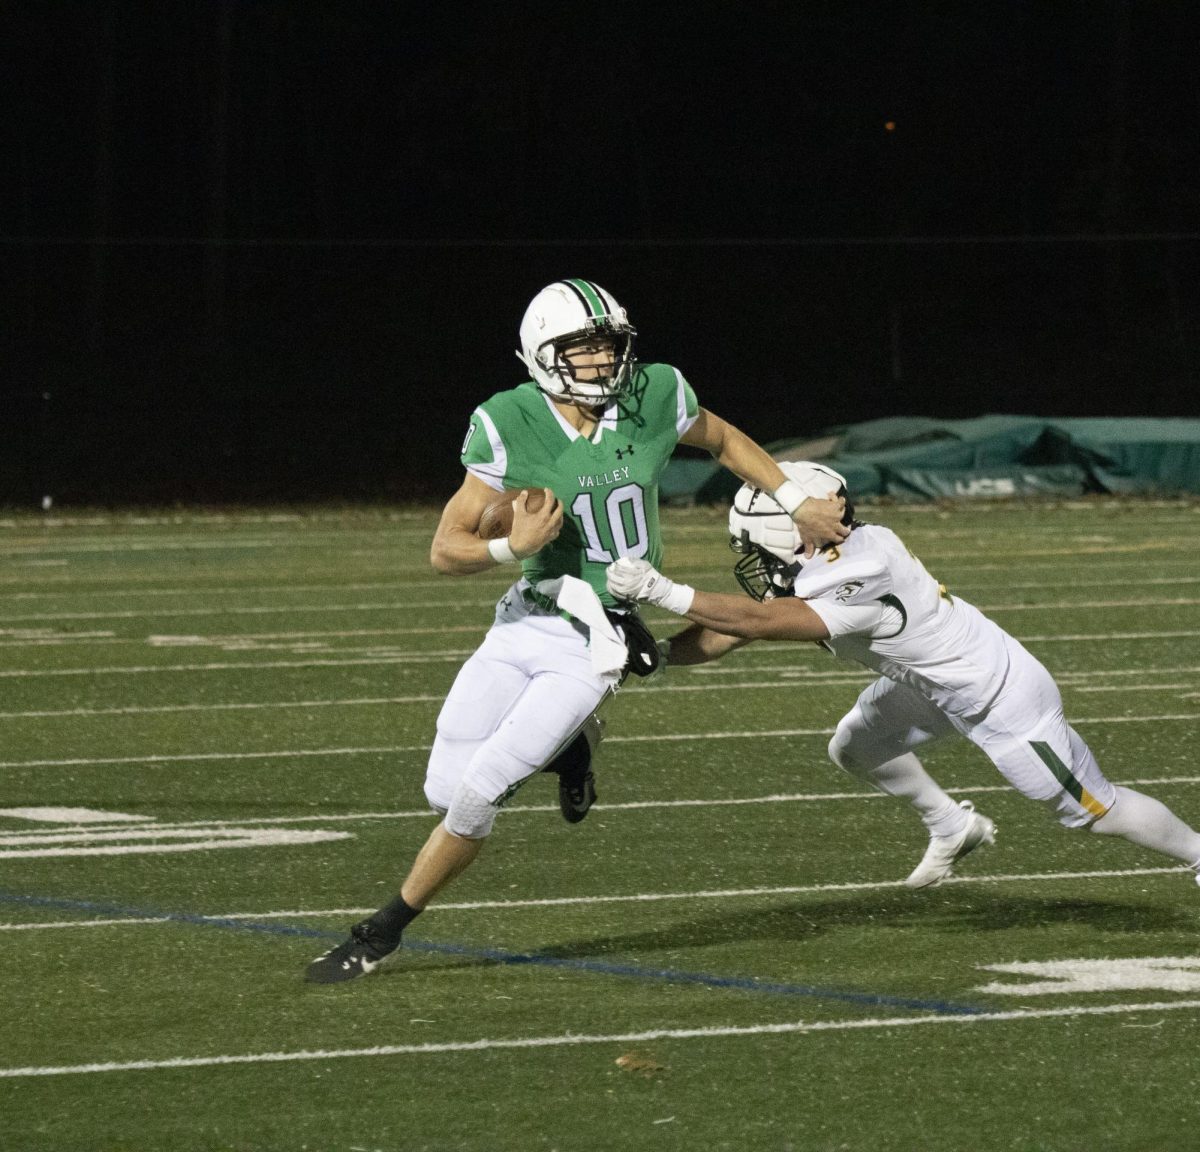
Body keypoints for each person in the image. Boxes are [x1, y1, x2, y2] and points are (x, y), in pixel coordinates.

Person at [305, 281, 850, 983]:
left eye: (607, 345)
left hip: (596, 636)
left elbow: (720, 437)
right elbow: (446, 548)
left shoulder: (655, 393)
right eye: (582, 348)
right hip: (527, 613)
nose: (601, 362)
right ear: (541, 356)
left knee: (479, 797)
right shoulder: (508, 420)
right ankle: (573, 752)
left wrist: (795, 500)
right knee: (444, 791)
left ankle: (379, 933)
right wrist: (509, 543)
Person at [605, 460, 1200, 890]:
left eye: (754, 545)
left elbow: (759, 621)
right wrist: (657, 653)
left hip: (1001, 702)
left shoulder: (856, 573)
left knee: (1094, 811)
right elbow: (736, 629)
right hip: (933, 685)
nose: (752, 560)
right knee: (854, 747)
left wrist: (663, 590)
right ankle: (951, 824)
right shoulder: (845, 551)